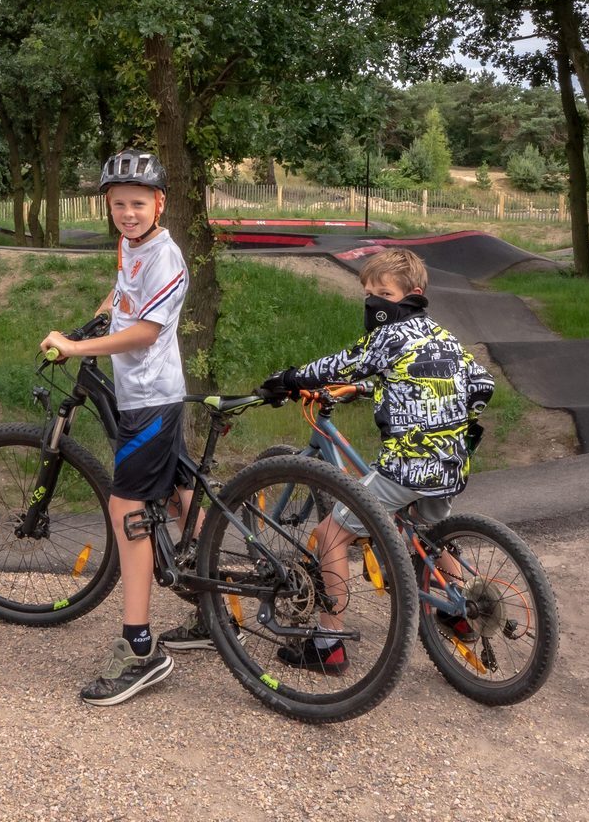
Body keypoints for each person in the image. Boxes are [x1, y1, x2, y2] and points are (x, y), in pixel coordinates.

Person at [245, 247, 495, 674]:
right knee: (424, 533)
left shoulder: (390, 336)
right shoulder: (441, 334)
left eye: (384, 292)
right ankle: (458, 608)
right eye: (369, 292)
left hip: (407, 466)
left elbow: (343, 364)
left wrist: (287, 379)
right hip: (451, 465)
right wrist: (395, 394)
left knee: (330, 535)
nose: (374, 301)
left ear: (412, 293)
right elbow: (480, 384)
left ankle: (329, 646)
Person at [39, 148, 190, 706]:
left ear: (159, 203)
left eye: (137, 203)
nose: (127, 213)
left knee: (126, 510)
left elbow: (147, 332)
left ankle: (140, 649)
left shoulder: (167, 257)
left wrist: (78, 346)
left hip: (151, 398)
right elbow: (123, 294)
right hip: (140, 394)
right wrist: (99, 314)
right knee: (178, 492)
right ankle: (211, 607)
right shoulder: (132, 244)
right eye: (118, 204)